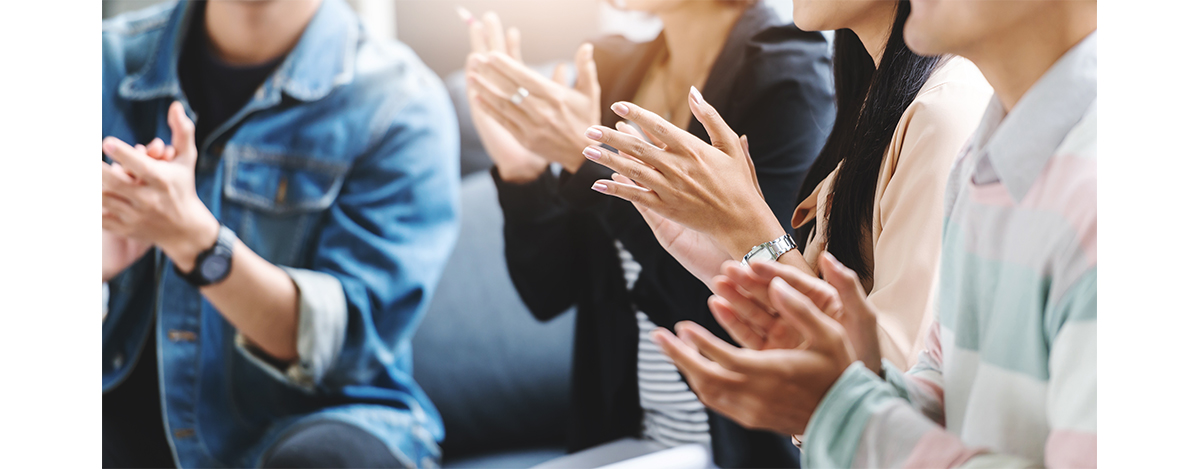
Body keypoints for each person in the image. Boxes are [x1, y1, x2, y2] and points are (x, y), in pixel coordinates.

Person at [644, 0, 1098, 467]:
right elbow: (945, 393)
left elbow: (891, 393)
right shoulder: (987, 153)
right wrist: (837, 385)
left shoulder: (961, 119)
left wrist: (841, 407)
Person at [458, 1, 834, 466]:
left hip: (739, 450)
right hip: (627, 438)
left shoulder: (787, 73)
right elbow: (548, 293)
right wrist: (523, 175)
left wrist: (589, 164)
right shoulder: (615, 69)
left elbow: (749, 314)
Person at [101, 0, 459, 467]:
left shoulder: (401, 102)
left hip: (315, 422)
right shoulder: (101, 62)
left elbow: (345, 342)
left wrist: (198, 244)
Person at [584, 0, 990, 375]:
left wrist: (751, 231)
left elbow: (888, 392)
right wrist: (731, 259)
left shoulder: (942, 111)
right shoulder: (875, 97)